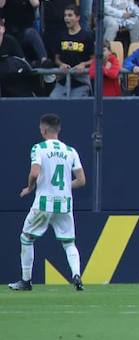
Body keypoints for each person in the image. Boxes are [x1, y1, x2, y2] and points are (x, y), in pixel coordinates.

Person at [7, 113, 85, 292]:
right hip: (65, 203)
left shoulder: (39, 148)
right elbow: (81, 180)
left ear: (43, 130)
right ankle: (76, 274)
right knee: (69, 242)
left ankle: (26, 281)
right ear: (59, 130)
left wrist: (29, 188)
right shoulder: (70, 151)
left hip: (43, 202)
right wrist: (64, 187)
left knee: (26, 237)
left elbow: (34, 172)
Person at [49, 5, 93, 98]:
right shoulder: (61, 36)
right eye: (65, 15)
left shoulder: (87, 36)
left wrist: (83, 64)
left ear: (78, 17)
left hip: (80, 81)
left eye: (70, 15)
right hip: (63, 80)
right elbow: (57, 58)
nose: (66, 18)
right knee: (52, 100)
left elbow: (94, 59)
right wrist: (61, 64)